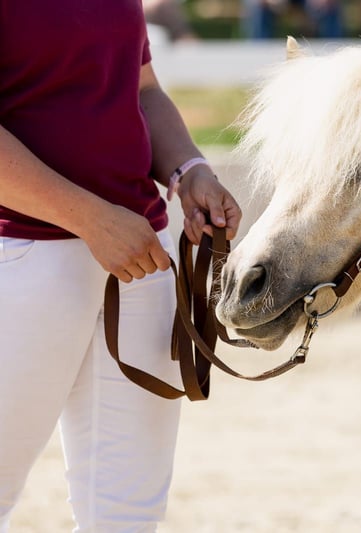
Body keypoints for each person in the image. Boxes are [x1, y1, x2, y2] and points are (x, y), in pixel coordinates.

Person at [0, 1, 242, 531]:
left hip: (140, 256)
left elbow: (142, 89)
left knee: (129, 511)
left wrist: (190, 170)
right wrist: (89, 218)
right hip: (24, 256)